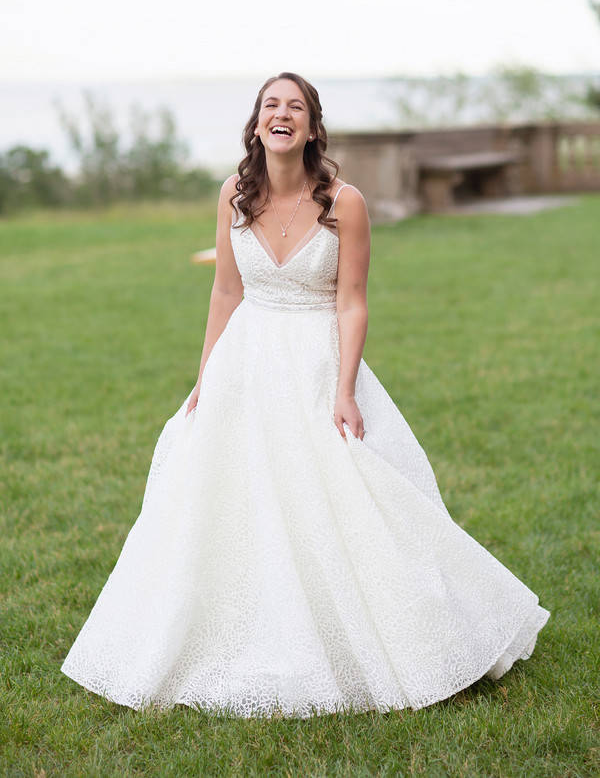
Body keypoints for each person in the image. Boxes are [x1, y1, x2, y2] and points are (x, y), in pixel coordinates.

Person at [60, 71, 550, 719]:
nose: (282, 114)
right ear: (257, 123)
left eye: (296, 107)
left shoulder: (345, 202)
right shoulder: (233, 193)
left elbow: (352, 302)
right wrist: (205, 379)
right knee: (230, 502)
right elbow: (226, 291)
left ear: (313, 128)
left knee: (349, 499)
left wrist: (344, 389)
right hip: (245, 362)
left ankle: (411, 635)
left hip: (318, 364)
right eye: (272, 104)